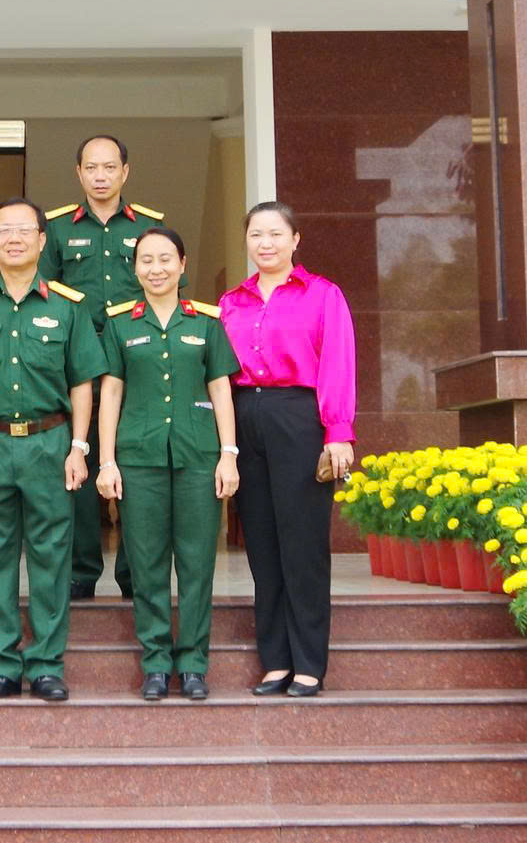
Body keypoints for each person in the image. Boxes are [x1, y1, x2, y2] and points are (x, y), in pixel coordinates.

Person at [0, 197, 105, 702]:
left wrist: (79, 447)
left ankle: (48, 664)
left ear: (41, 239)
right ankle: (2, 663)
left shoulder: (68, 306)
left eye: (24, 230)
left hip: (49, 443)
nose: (14, 239)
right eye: (4, 230)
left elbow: (82, 382)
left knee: (52, 556)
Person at [218, 201, 356, 698]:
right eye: (256, 234)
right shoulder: (231, 302)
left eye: (276, 234)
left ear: (295, 240)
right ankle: (275, 661)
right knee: (261, 544)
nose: (266, 243)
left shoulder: (322, 295)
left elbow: (337, 362)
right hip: (245, 416)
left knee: (303, 544)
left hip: (299, 417)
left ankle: (309, 663)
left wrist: (338, 431)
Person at [95, 227, 239, 701]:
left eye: (165, 259)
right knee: (147, 563)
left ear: (182, 264)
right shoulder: (120, 324)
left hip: (199, 457)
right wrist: (107, 461)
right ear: (135, 268)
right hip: (139, 459)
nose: (155, 269)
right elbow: (110, 393)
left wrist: (229, 454)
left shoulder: (206, 322)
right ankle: (156, 661)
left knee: (197, 564)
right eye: (146, 260)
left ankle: (194, 663)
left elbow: (220, 388)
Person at [42, 133, 163, 600]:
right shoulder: (56, 229)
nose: (100, 176)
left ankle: (134, 572)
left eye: (109, 167)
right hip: (79, 365)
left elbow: (168, 290)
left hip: (137, 360)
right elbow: (46, 298)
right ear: (78, 173)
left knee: (134, 463)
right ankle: (82, 571)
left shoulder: (150, 227)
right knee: (79, 461)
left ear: (125, 172)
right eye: (91, 167)